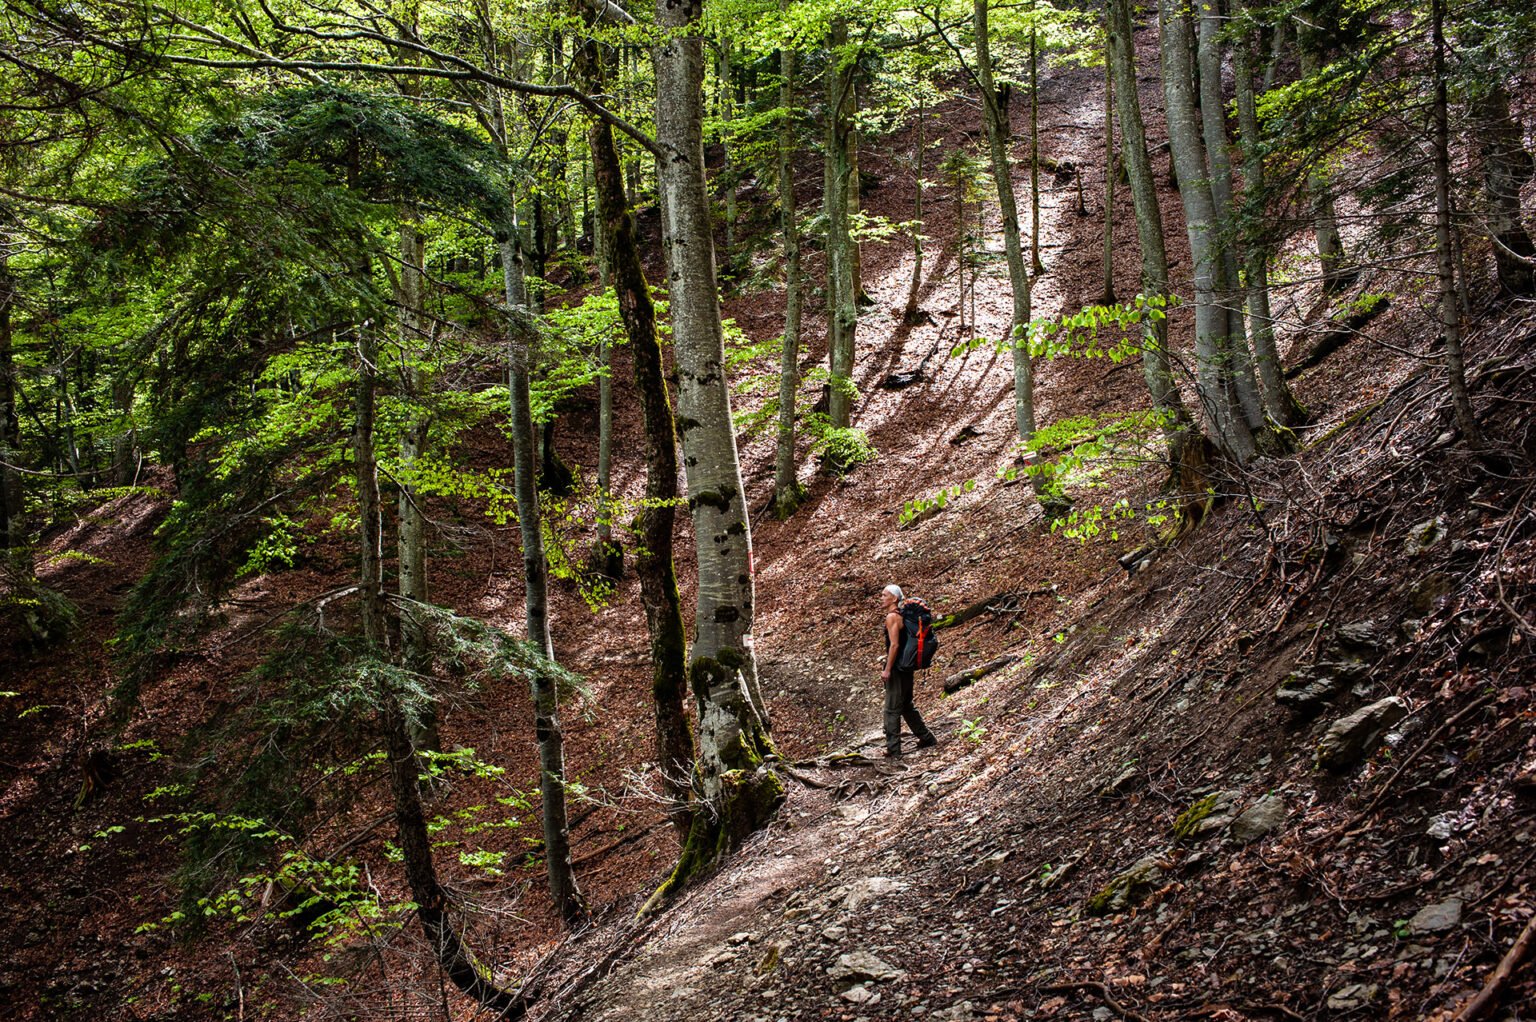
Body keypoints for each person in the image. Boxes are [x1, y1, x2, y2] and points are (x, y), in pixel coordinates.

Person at [879, 584, 937, 757]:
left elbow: (895, 645)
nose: (881, 598)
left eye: (884, 595)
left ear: (894, 599)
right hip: (907, 665)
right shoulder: (903, 615)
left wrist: (887, 669)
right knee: (906, 705)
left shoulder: (892, 617)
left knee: (891, 708)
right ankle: (926, 738)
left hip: (897, 667)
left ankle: (893, 749)